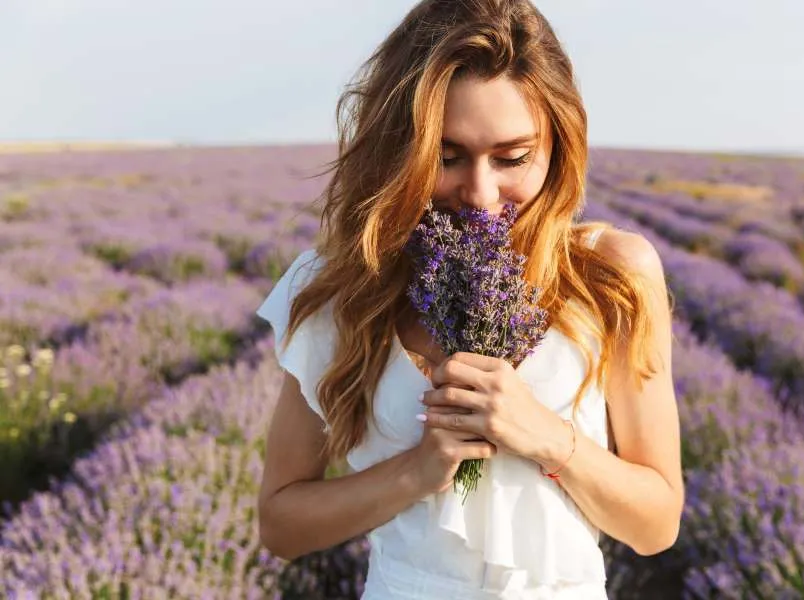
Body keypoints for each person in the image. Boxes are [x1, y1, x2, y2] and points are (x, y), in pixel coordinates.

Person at [255, 0, 683, 598]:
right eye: (447, 157)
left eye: (512, 158)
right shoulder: (343, 285)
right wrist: (415, 471)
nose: (482, 195)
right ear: (399, 149)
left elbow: (657, 524)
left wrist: (544, 436)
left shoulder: (610, 275)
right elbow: (280, 525)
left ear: (558, 144)